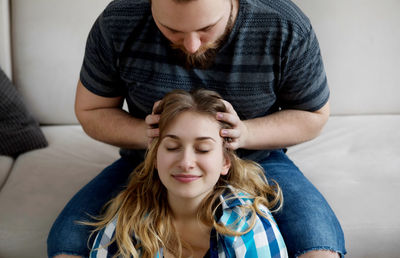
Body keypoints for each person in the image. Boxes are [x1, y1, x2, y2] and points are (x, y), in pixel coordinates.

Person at [47, 0, 346, 257]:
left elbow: (314, 115)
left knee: (318, 245)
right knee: (66, 243)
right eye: (172, 31)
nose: (191, 46)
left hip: (260, 158)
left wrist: (245, 133)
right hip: (150, 159)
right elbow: (91, 110)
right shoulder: (117, 22)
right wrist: (147, 135)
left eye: (206, 29)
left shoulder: (284, 24)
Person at [84, 89, 287, 258]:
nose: (186, 162)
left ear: (226, 162)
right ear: (155, 158)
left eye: (203, 149)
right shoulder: (128, 222)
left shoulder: (247, 224)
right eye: (172, 147)